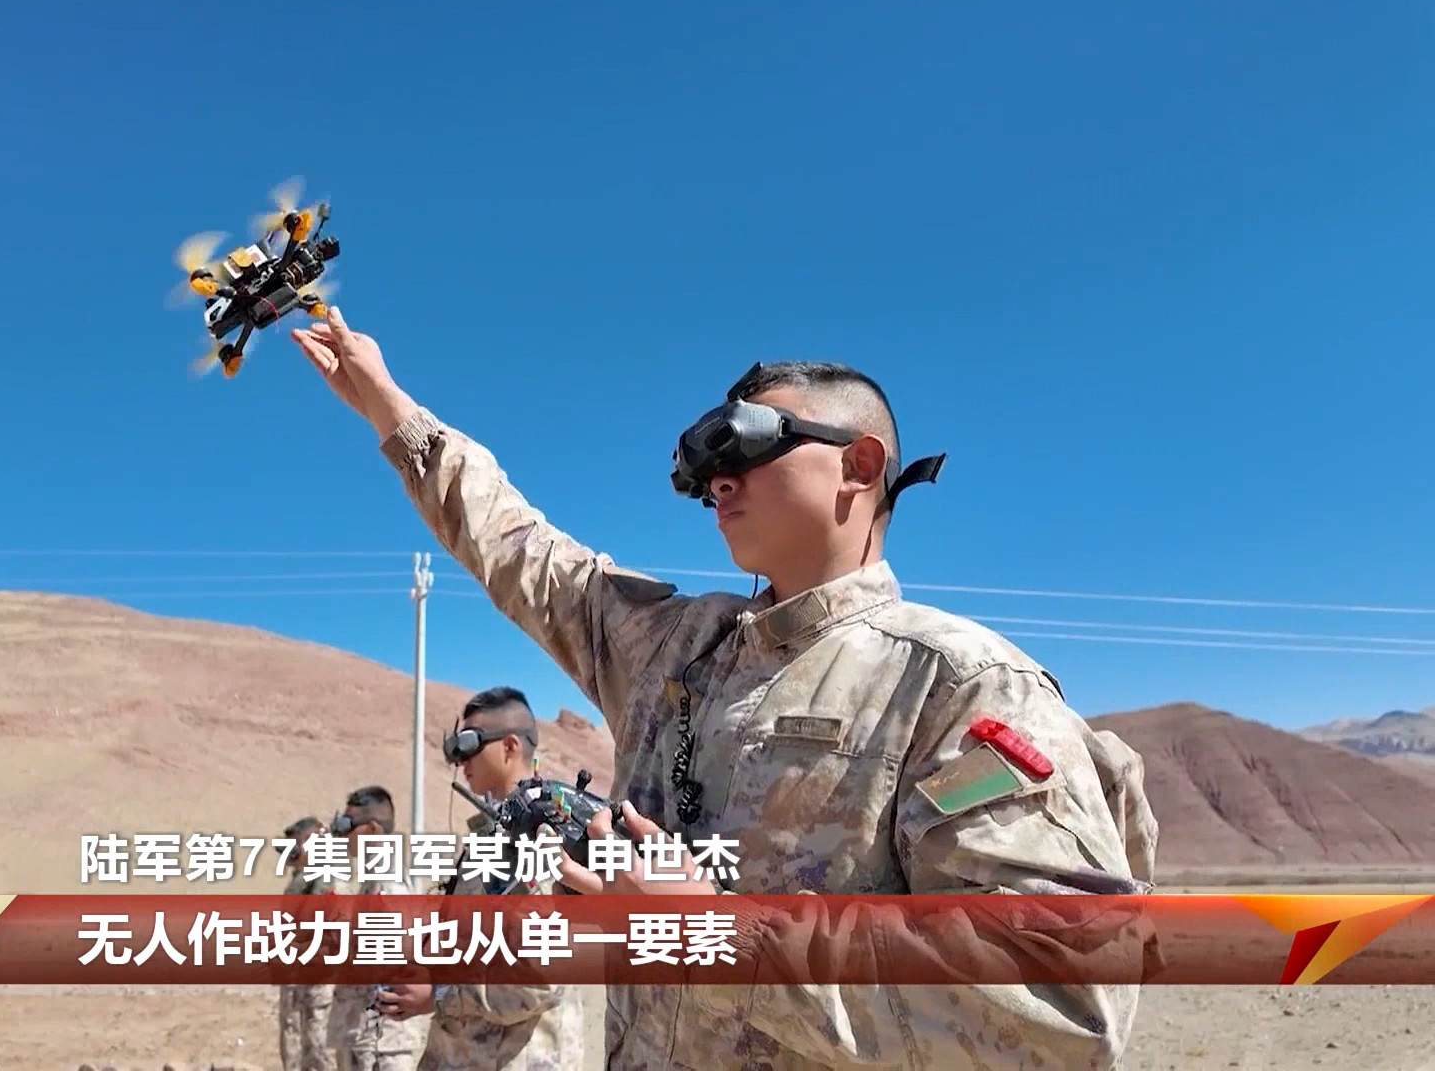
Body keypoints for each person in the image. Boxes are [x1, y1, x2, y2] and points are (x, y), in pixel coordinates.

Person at [291, 310, 1159, 1069]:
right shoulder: (677, 649)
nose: (718, 482)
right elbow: (523, 551)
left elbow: (1064, 1008)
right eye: (704, 465)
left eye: (748, 444)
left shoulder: (955, 683)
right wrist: (391, 412)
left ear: (860, 465)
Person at [373, 686, 588, 1071]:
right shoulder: (494, 834)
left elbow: (539, 976)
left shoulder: (544, 834)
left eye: (470, 745)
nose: (461, 762)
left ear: (509, 747)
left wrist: (438, 994)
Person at [324, 785, 434, 1071]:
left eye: (349, 825)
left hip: (379, 1041)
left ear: (372, 829)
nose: (343, 835)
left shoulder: (388, 885)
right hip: (365, 1034)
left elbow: (396, 956)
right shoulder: (374, 881)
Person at [278, 815, 338, 1071]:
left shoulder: (325, 876)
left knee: (318, 1049)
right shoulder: (302, 877)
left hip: (316, 978)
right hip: (297, 975)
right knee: (294, 1045)